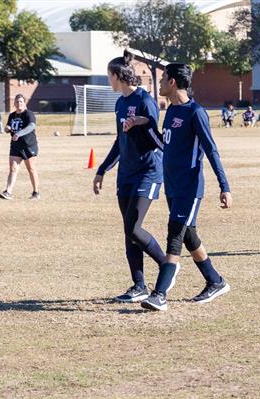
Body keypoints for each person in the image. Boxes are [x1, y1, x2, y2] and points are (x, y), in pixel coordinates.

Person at [141, 63, 232, 311]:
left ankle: (159, 294)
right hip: (172, 187)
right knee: (189, 236)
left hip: (189, 189)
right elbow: (165, 145)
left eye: (162, 80)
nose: (159, 84)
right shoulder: (171, 111)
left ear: (172, 83)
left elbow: (211, 150)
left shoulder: (195, 112)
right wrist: (145, 126)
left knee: (174, 237)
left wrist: (224, 186)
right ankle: (215, 281)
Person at [92, 50, 168, 303]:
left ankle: (168, 266)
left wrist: (142, 123)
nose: (108, 81)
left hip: (147, 172)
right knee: (129, 231)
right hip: (125, 174)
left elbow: (157, 141)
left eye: (108, 77)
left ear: (117, 76)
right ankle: (139, 286)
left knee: (134, 227)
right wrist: (102, 169)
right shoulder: (119, 104)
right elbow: (119, 142)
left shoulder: (145, 101)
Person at [0, 94, 40, 200]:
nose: (19, 103)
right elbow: (9, 128)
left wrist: (19, 134)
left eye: (21, 101)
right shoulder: (12, 115)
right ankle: (8, 192)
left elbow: (31, 126)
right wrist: (7, 128)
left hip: (28, 145)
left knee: (31, 169)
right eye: (17, 102)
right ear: (14, 103)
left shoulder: (28, 114)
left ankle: (36, 192)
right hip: (15, 146)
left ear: (24, 103)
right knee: (13, 168)